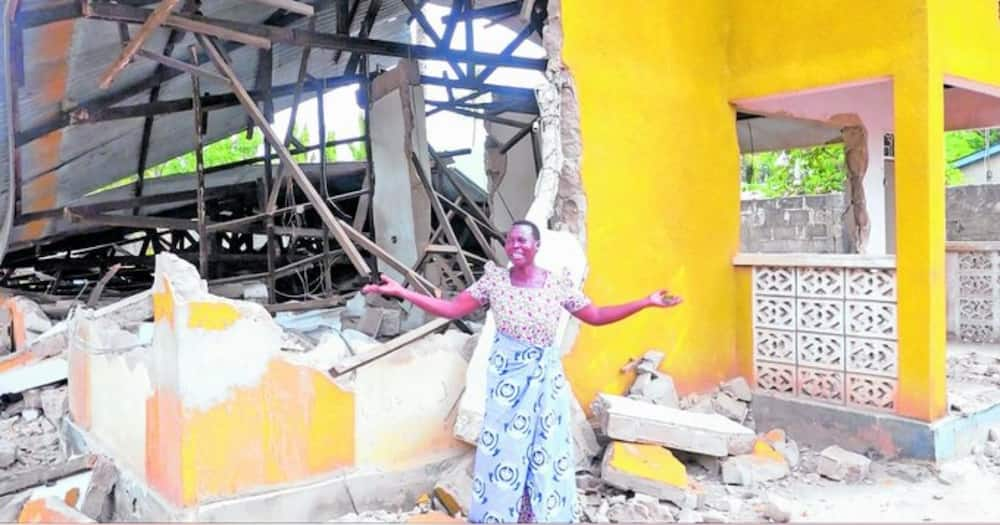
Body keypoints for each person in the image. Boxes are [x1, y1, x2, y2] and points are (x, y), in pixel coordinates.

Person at [362, 220, 682, 523]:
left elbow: (595, 315)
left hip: (545, 381)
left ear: (536, 246)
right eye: (510, 240)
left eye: (522, 240)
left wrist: (646, 302)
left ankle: (539, 516)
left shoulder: (557, 285)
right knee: (504, 448)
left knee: (544, 446)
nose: (515, 245)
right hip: (507, 383)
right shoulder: (494, 282)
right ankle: (502, 516)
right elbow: (451, 309)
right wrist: (402, 293)